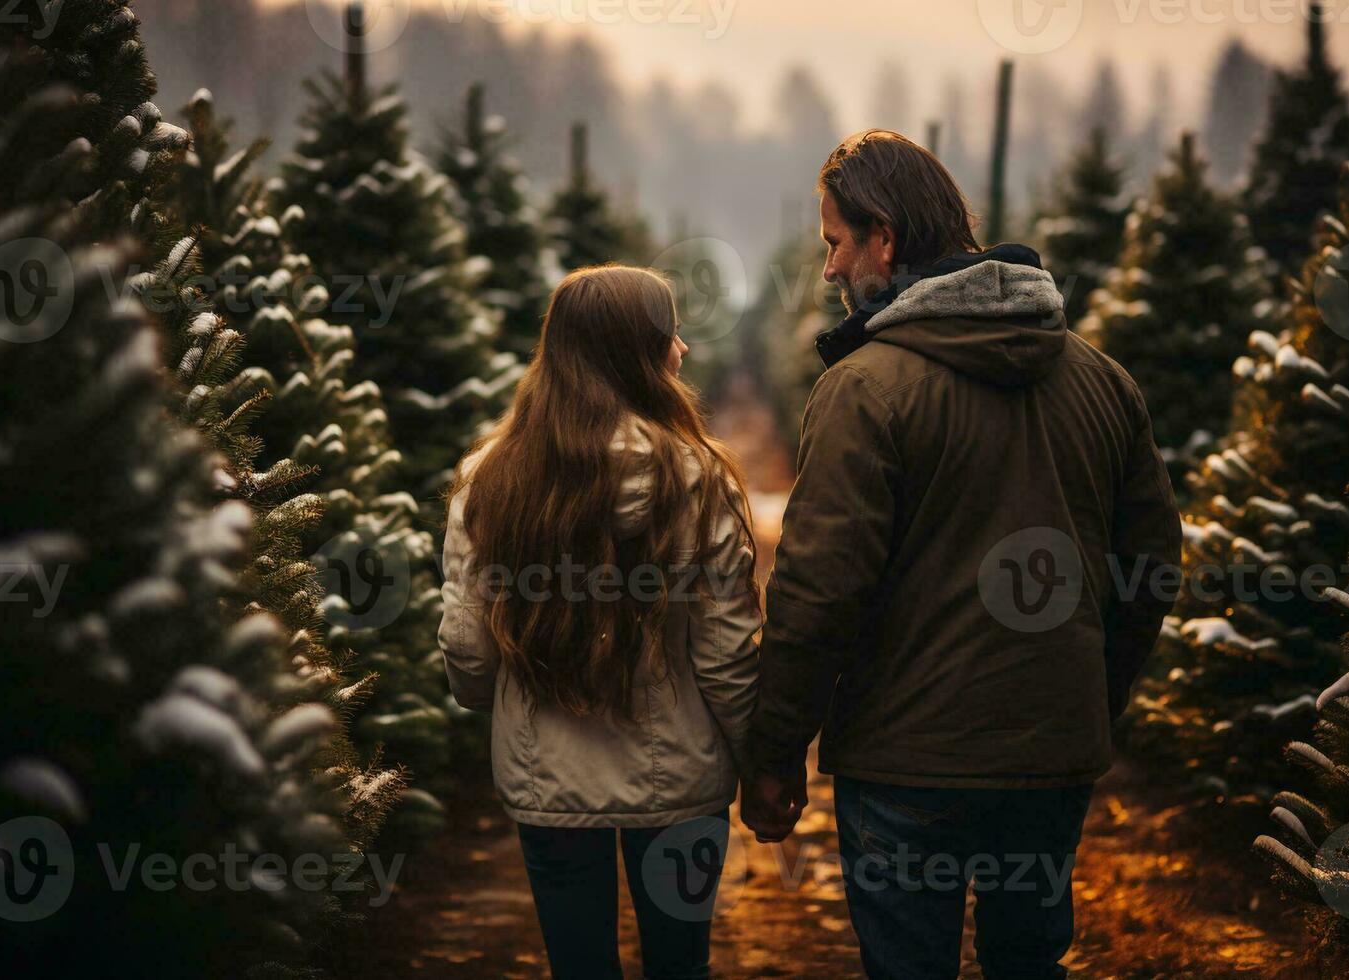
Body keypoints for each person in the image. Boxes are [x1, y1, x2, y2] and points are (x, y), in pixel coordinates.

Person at [740, 130, 1183, 979]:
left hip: (907, 764)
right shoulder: (1101, 379)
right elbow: (1152, 563)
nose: (829, 270)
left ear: (886, 239)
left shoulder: (864, 389)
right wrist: (1090, 695)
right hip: (1050, 757)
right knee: (1028, 963)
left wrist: (772, 752)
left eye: (835, 243)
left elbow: (818, 591)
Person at [440, 265, 763, 980]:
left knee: (577, 965)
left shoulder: (490, 478)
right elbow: (726, 655)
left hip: (546, 780)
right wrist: (756, 758)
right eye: (667, 334)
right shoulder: (698, 478)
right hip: (679, 782)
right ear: (634, 353)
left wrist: (494, 710)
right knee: (680, 964)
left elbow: (467, 648)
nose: (681, 348)